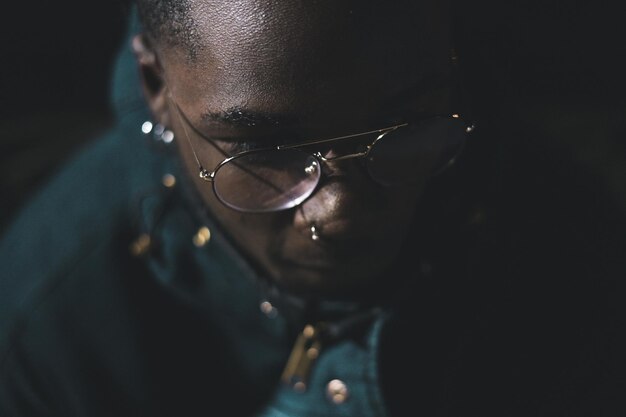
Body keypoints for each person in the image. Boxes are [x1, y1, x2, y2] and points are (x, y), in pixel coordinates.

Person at [0, 0, 623, 416]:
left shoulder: (576, 263)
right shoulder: (47, 329)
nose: (341, 212)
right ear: (156, 86)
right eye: (265, 150)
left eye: (405, 124)